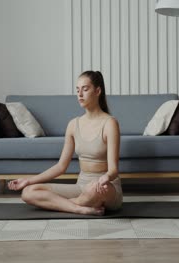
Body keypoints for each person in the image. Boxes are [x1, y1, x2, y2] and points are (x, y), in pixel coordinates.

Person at [7, 71, 122, 215]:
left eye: (85, 89)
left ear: (98, 91)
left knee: (93, 190)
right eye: (77, 90)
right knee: (28, 192)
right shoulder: (73, 125)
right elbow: (61, 166)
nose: (80, 94)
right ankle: (78, 207)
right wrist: (28, 181)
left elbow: (113, 170)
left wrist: (105, 178)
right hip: (81, 187)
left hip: (106, 188)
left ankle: (63, 204)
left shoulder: (110, 123)